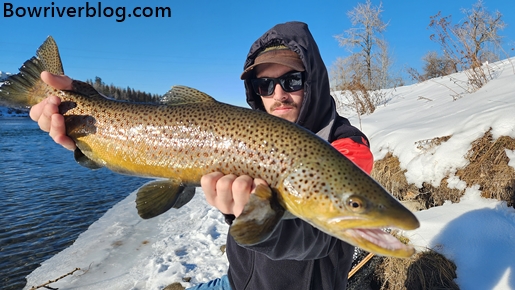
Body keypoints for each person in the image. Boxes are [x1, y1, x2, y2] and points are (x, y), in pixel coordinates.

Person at [30, 21, 373, 290]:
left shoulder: (345, 145)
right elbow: (141, 147)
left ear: (314, 80)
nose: (278, 94)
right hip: (238, 283)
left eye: (292, 80)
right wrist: (83, 119)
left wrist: (256, 220)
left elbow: (322, 236)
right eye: (265, 85)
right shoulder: (246, 132)